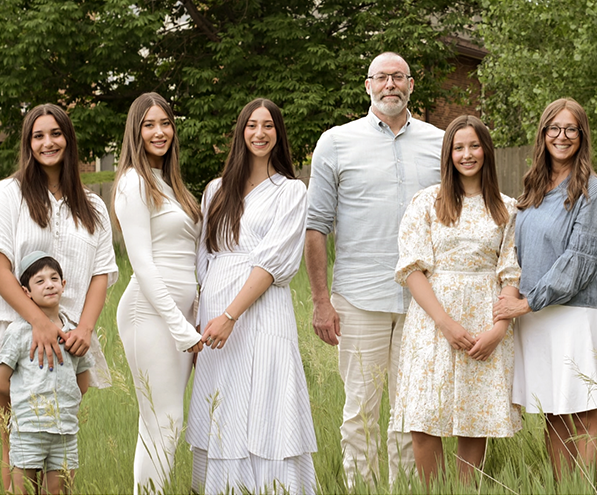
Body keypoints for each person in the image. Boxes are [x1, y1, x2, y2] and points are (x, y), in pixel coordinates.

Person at [305, 51, 445, 486]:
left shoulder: (440, 141)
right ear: (367, 85)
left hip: (424, 301)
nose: (390, 85)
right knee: (360, 411)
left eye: (398, 77)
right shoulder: (336, 142)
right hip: (359, 297)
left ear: (411, 85)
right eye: (381, 77)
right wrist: (321, 301)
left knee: (412, 412)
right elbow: (316, 227)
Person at [0, 104, 117, 491]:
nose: (48, 142)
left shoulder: (93, 206)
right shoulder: (8, 194)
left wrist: (84, 327)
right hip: (16, 332)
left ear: (69, 138)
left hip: (69, 341)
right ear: (28, 143)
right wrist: (38, 321)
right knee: (16, 444)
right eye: (38, 135)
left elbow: (101, 272)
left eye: (55, 133)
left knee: (60, 445)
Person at [188, 98, 317, 495]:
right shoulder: (216, 190)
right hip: (215, 308)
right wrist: (204, 316)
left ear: (278, 134)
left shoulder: (292, 191)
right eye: (251, 126)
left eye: (268, 126)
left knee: (267, 395)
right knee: (222, 397)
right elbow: (204, 256)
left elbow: (274, 261)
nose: (259, 133)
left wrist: (231, 314)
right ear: (240, 132)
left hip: (261, 307)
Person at [391, 115, 522, 486]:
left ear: (487, 151)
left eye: (474, 146)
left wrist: (499, 328)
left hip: (485, 314)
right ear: (448, 154)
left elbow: (511, 272)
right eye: (459, 147)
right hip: (434, 319)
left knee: (474, 418)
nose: (467, 155)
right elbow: (411, 269)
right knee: (424, 418)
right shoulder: (427, 202)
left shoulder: (507, 208)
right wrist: (446, 324)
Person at [491, 98, 597, 479]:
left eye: (571, 129)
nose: (562, 137)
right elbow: (517, 248)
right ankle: (563, 487)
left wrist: (527, 304)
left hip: (573, 313)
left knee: (584, 410)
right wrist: (515, 297)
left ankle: (590, 488)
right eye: (554, 129)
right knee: (553, 411)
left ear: (582, 136)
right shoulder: (533, 187)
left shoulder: (592, 192)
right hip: (534, 313)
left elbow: (579, 261)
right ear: (543, 134)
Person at [111, 92, 203, 493]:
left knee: (161, 422)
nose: (159, 132)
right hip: (149, 313)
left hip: (179, 317)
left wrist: (193, 315)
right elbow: (143, 264)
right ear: (136, 131)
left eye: (165, 123)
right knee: (165, 422)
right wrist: (180, 327)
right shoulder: (133, 181)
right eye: (149, 124)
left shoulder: (171, 183)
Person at [0, 252, 94, 495]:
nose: (49, 284)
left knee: (59, 490)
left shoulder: (73, 333)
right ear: (26, 292)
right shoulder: (18, 333)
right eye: (39, 281)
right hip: (29, 428)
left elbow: (82, 381)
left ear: (64, 284)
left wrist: (63, 399)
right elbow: (0, 382)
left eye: (54, 278)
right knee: (23, 490)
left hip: (65, 431)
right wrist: (29, 399)